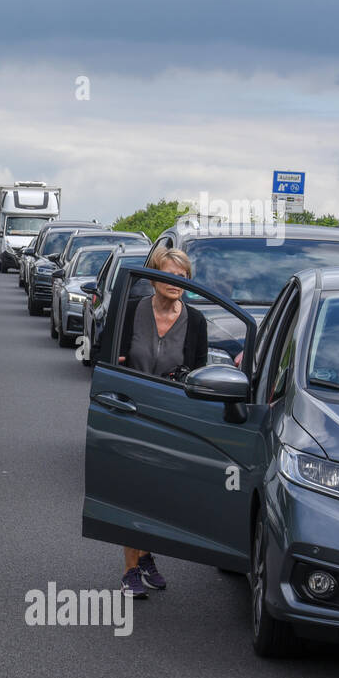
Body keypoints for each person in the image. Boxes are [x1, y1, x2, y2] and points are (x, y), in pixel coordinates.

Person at [115, 247, 208, 599]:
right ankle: (130, 570)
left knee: (158, 494)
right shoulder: (132, 311)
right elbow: (110, 358)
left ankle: (147, 553)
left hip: (171, 415)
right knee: (131, 491)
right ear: (155, 278)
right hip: (131, 410)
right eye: (171, 275)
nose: (177, 283)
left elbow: (199, 372)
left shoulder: (196, 321)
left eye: (183, 277)